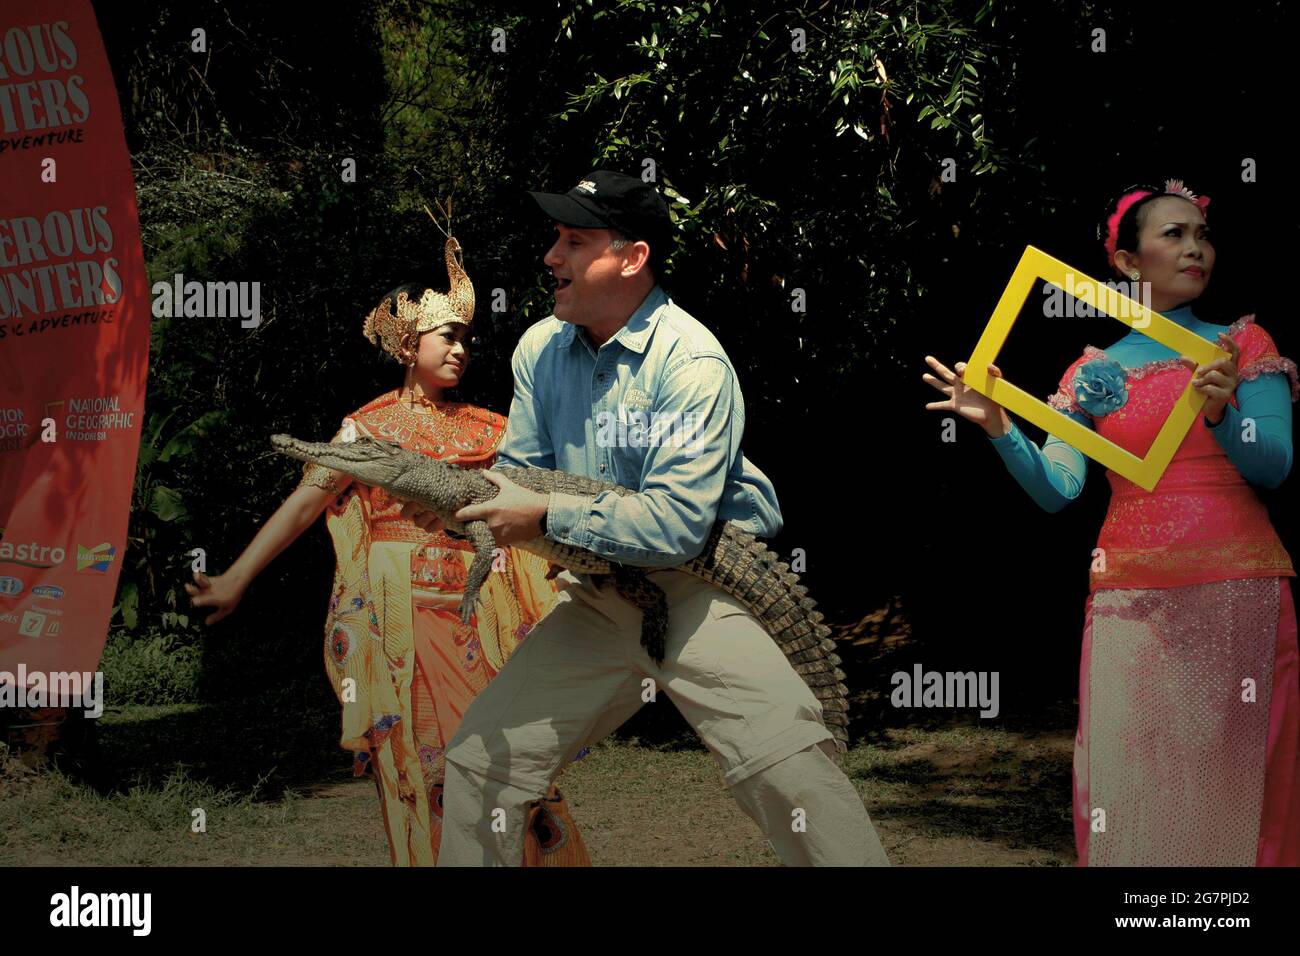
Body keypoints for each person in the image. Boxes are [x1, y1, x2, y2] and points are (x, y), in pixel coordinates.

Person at [403, 170, 891, 867]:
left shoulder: (692, 364)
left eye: (575, 241)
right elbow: (519, 477)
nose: (552, 258)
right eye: (554, 240)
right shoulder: (541, 350)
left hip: (694, 590)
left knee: (789, 773)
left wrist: (540, 510)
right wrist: (462, 512)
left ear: (631, 259)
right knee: (482, 766)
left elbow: (675, 525)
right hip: (598, 600)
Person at [923, 179, 1299, 865]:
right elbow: (1058, 490)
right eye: (1174, 235)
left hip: (1238, 589)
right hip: (1129, 600)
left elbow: (1274, 465)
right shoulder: (1093, 371)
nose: (1195, 248)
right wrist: (1003, 428)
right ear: (1127, 265)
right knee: (1131, 783)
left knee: (1239, 786)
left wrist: (1224, 413)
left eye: (1202, 235)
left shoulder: (1244, 344)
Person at [185, 236, 590, 866]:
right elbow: (303, 504)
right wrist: (236, 577)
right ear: (408, 347)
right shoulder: (366, 429)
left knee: (514, 772)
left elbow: (543, 504)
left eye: (465, 338)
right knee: (424, 769)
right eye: (446, 337)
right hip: (398, 623)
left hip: (480, 617)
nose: (461, 349)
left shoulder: (492, 428)